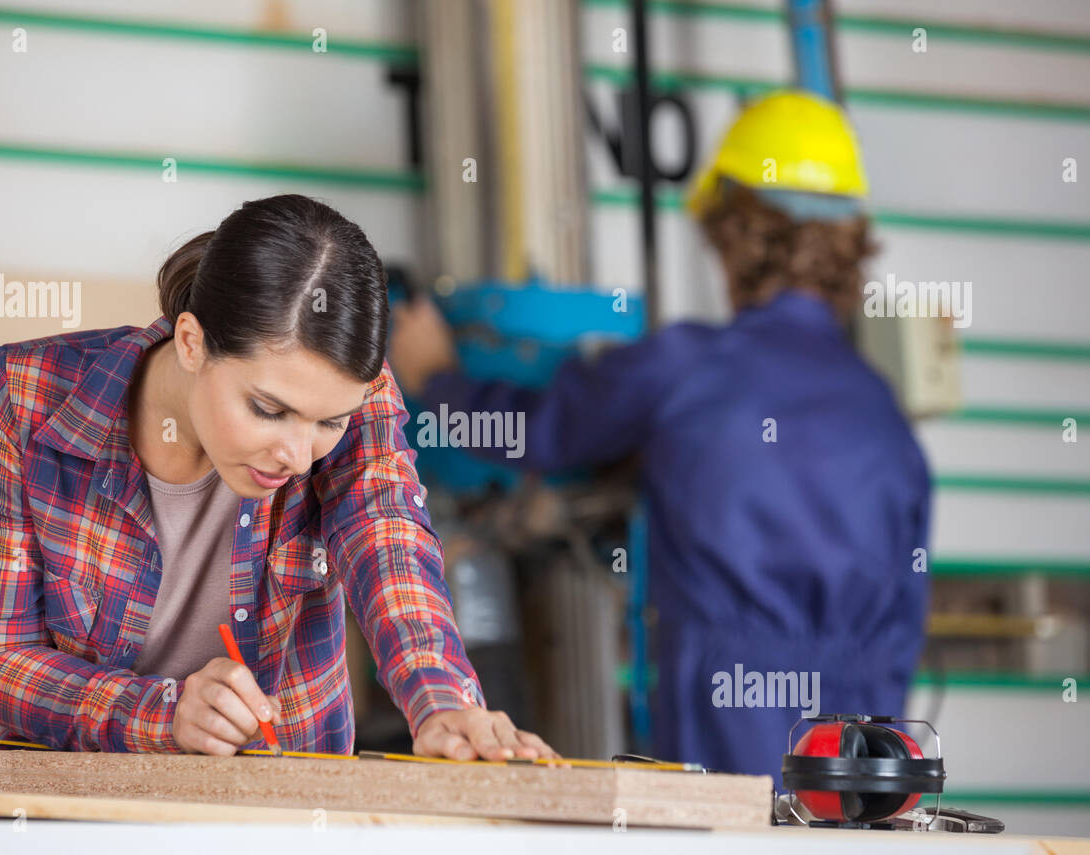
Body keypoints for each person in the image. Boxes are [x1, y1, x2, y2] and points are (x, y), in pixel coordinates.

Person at [0, 194, 555, 818]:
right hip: (9, 810)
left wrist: (442, 703)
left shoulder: (355, 394)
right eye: (268, 409)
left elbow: (389, 540)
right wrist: (162, 712)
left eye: (328, 423)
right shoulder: (24, 396)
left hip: (254, 811)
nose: (298, 453)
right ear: (191, 341)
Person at [388, 90, 932, 784]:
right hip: (863, 751)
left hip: (727, 712)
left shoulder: (690, 368)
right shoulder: (886, 419)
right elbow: (903, 619)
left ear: (733, 237)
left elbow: (543, 432)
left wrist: (437, 376)